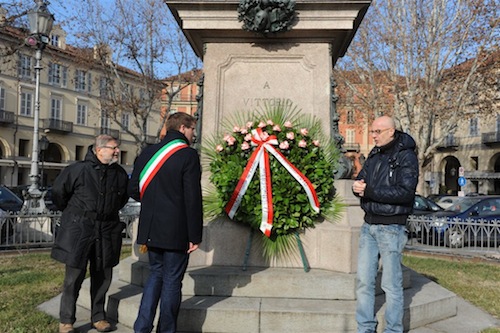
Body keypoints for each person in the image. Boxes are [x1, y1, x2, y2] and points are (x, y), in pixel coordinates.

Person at [129, 112, 203, 333]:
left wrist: (154, 202)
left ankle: (142, 326)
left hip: (151, 226)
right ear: (182, 128)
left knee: (155, 275)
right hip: (176, 230)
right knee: (172, 281)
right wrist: (195, 235)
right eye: (192, 129)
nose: (193, 134)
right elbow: (192, 198)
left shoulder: (148, 153)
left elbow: (133, 189)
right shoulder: (187, 155)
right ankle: (166, 330)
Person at [51, 135, 129, 333]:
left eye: (117, 148)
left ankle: (98, 317)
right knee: (73, 278)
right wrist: (77, 215)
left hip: (107, 230)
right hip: (80, 230)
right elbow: (59, 194)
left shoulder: (119, 174)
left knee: (103, 276)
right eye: (113, 148)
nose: (117, 151)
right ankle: (66, 320)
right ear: (99, 149)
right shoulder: (77, 170)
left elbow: (122, 199)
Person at [352, 116, 418, 333]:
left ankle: (393, 330)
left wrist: (369, 191)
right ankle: (365, 328)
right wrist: (357, 186)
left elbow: (405, 192)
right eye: (372, 131)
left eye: (377, 132)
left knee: (391, 285)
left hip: (391, 227)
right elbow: (362, 178)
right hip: (368, 225)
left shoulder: (406, 156)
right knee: (363, 281)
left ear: (391, 131)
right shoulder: (374, 154)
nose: (373, 136)